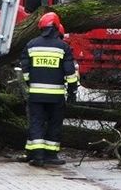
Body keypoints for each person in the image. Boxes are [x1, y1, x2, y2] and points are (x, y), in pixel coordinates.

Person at [18, 12, 79, 166]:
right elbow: (70, 72)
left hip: (36, 94)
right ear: (57, 27)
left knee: (36, 122)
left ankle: (36, 156)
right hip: (56, 96)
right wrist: (72, 92)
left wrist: (30, 82)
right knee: (54, 123)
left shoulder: (31, 45)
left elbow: (25, 69)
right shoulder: (63, 47)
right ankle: (51, 156)